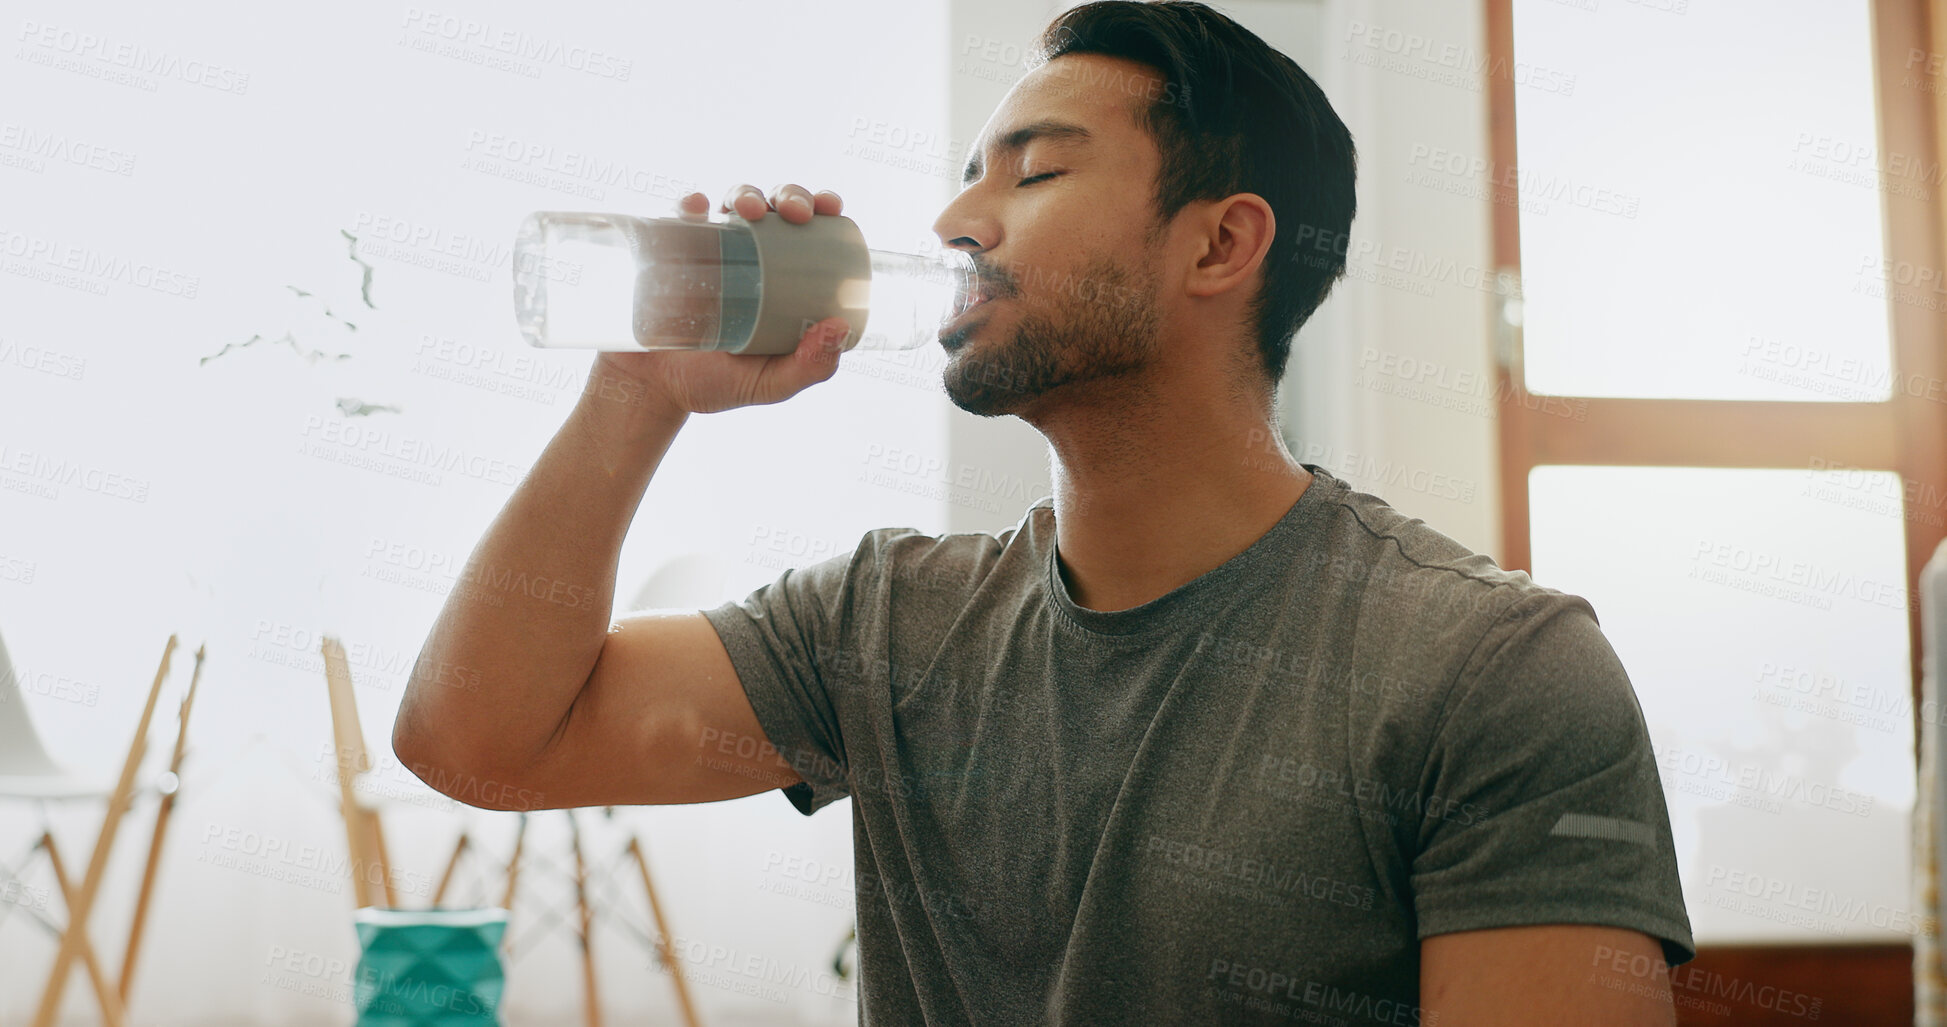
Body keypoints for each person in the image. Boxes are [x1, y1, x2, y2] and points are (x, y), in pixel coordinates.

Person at [393, 2, 1694, 1023]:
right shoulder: (888, 625)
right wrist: (638, 392)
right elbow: (482, 741)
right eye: (969, 177)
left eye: (1033, 173)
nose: (958, 219)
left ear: (1217, 247)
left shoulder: (1493, 674)